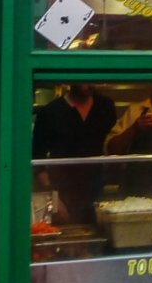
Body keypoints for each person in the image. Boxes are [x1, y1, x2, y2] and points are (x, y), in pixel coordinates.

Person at [32, 83, 118, 223]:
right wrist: (53, 197)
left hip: (98, 189)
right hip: (62, 191)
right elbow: (37, 158)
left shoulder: (105, 107)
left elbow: (112, 146)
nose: (90, 84)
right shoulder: (51, 112)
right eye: (84, 78)